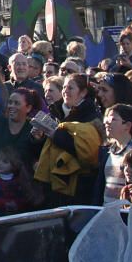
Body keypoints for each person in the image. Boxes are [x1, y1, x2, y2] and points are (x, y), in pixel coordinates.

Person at [33, 74, 102, 206]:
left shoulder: (91, 116)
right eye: (64, 87)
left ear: (83, 93)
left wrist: (56, 136)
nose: (65, 91)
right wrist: (38, 138)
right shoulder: (56, 110)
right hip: (53, 182)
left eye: (70, 88)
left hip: (76, 185)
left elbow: (87, 152)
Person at [97, 103, 132, 204]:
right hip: (105, 211)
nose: (107, 123)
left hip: (127, 213)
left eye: (113, 120)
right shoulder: (106, 151)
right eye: (107, 120)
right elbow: (99, 185)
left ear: (128, 125)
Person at [0, 146, 36, 216]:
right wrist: (5, 204)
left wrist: (16, 204)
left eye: (5, 162)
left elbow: (24, 198)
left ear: (14, 164)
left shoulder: (19, 181)